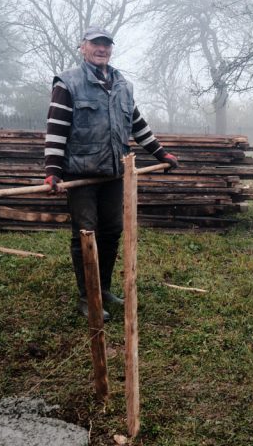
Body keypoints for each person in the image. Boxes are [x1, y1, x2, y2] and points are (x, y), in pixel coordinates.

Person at [44, 26, 179, 320]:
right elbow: (56, 130)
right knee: (85, 235)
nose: (101, 49)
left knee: (111, 232)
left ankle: (103, 289)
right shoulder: (68, 83)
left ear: (111, 49)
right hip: (81, 175)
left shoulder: (122, 84)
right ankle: (87, 297)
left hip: (114, 173)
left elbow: (137, 124)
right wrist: (53, 170)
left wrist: (161, 153)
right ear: (83, 47)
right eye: (95, 44)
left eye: (106, 45)